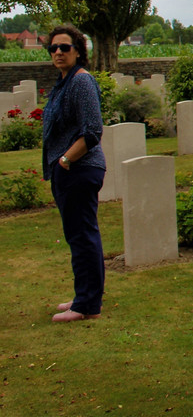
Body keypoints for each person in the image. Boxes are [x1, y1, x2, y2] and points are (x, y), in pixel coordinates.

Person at [41, 25, 106, 323]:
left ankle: (88, 305)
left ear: (78, 50)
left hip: (79, 168)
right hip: (67, 169)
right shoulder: (63, 82)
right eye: (53, 48)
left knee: (83, 236)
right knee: (77, 236)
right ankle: (83, 295)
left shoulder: (81, 82)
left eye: (64, 47)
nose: (58, 52)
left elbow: (92, 130)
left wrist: (66, 160)